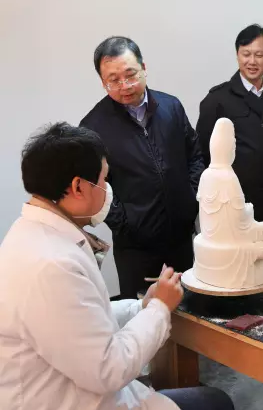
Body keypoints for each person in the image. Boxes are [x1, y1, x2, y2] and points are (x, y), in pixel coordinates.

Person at [0, 122, 234, 410]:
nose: (107, 189)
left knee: (211, 399)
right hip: (71, 400)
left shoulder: (30, 234)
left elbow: (81, 319)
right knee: (215, 402)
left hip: (83, 386)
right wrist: (160, 308)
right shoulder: (50, 266)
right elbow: (108, 370)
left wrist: (141, 307)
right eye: (103, 179)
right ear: (78, 187)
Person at [80, 36, 205, 299]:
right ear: (102, 82)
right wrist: (126, 223)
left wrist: (191, 197)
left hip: (181, 238)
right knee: (140, 312)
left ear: (144, 68)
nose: (124, 86)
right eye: (113, 80)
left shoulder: (171, 107)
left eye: (130, 75)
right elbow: (94, 187)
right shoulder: (93, 127)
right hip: (136, 248)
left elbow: (194, 155)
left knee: (189, 309)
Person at [196, 24, 263, 238]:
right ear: (237, 55)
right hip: (233, 199)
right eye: (246, 54)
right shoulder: (218, 99)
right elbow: (202, 152)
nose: (252, 61)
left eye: (259, 55)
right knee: (236, 254)